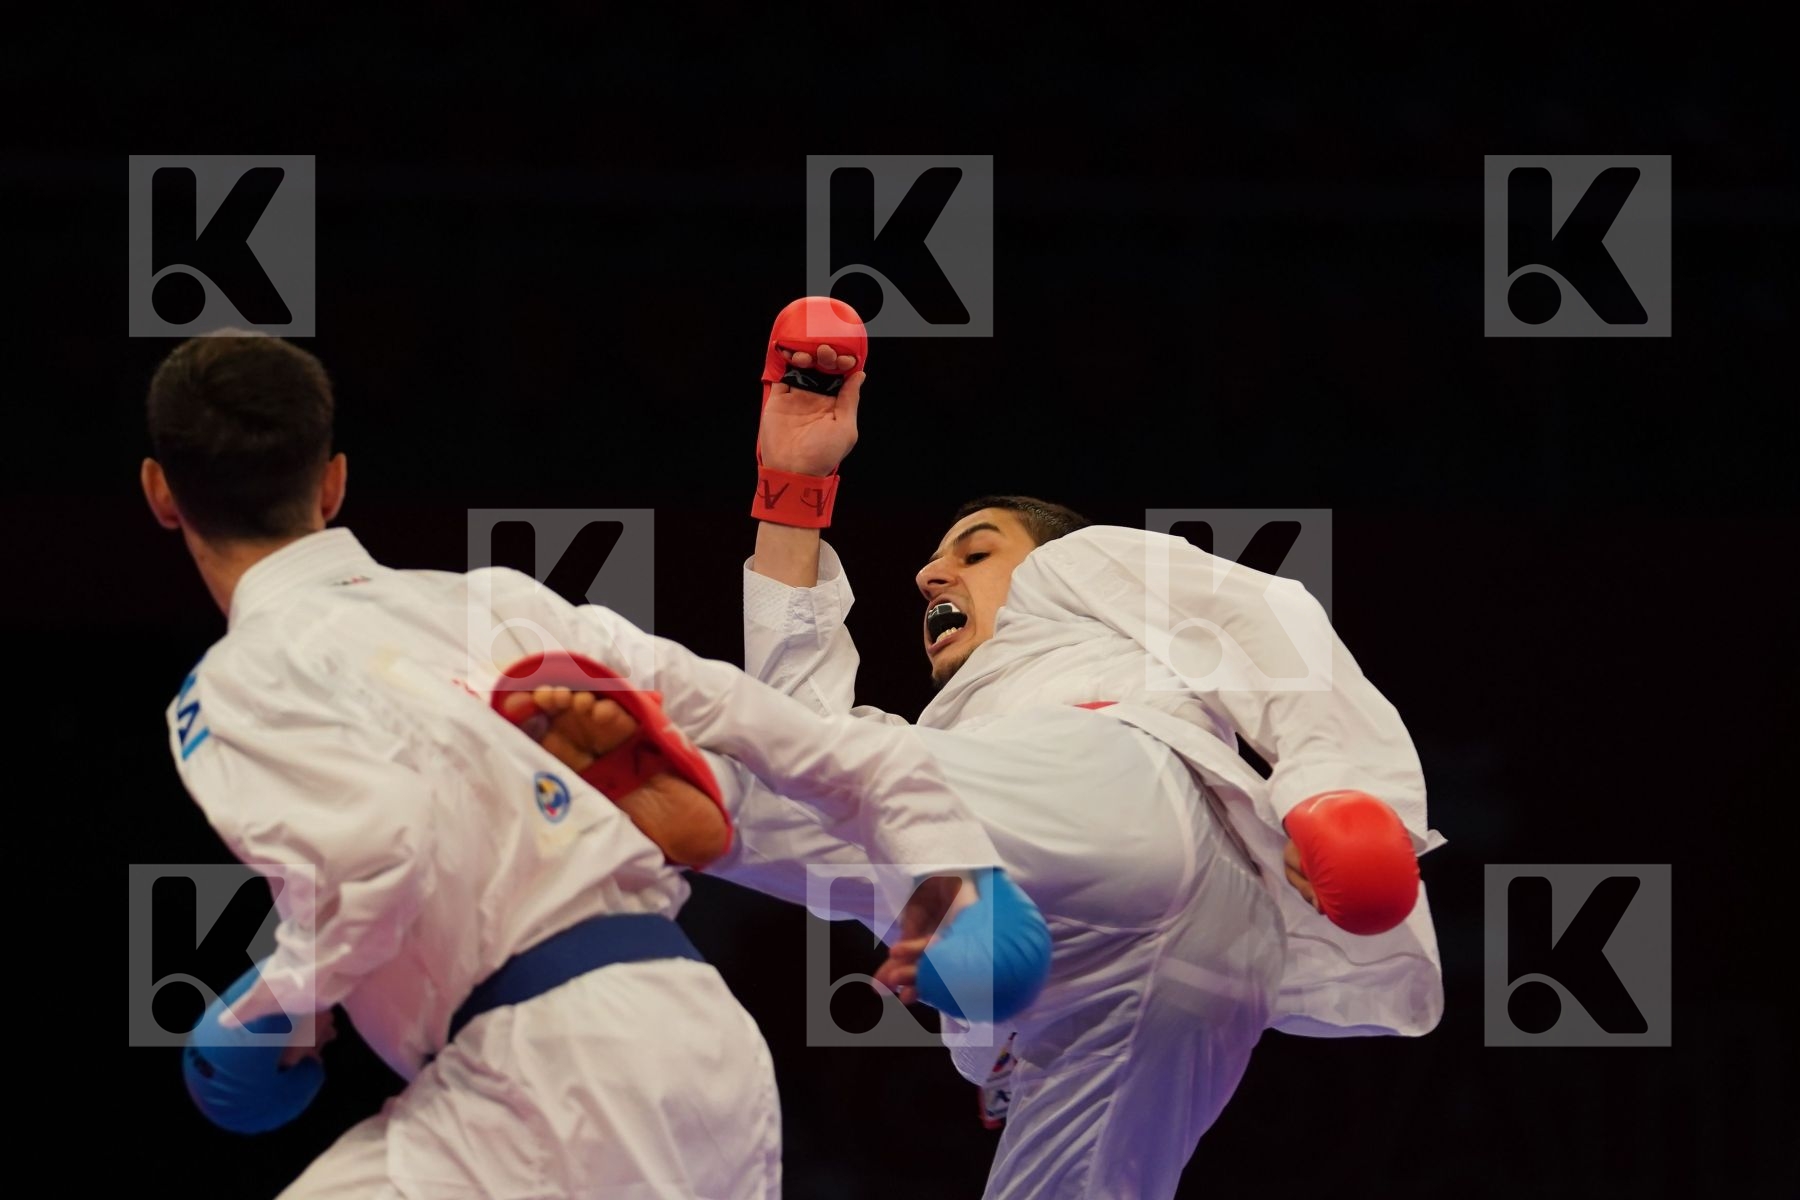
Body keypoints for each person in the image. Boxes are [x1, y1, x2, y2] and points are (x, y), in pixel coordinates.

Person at [142, 330, 1049, 1199]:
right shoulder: (494, 602)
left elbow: (380, 852)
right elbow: (779, 725)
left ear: (161, 493)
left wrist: (279, 1005)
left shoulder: (232, 685)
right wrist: (960, 863)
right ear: (333, 483)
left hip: (547, 1072)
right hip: (702, 1039)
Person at [671, 301, 1445, 1198]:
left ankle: (606, 706)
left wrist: (1342, 791)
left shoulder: (1072, 576)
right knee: (818, 773)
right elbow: (798, 730)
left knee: (808, 776)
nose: (929, 574)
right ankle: (962, 958)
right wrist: (792, 486)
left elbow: (1260, 616)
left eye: (976, 549)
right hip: (1151, 991)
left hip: (1131, 795)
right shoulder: (938, 740)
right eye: (935, 560)